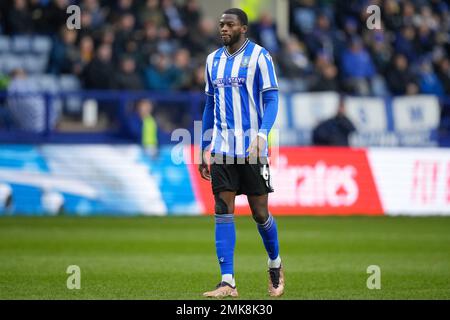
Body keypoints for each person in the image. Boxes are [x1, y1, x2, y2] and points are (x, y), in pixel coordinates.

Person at [198, 8, 283, 298]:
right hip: (222, 149)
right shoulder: (212, 61)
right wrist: (204, 146)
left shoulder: (260, 56)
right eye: (221, 24)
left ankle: (275, 263)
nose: (223, 29)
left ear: (243, 28)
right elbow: (210, 104)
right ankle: (228, 282)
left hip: (252, 148)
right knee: (223, 210)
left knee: (260, 213)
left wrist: (262, 134)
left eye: (229, 24)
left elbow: (271, 98)